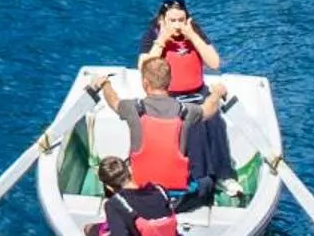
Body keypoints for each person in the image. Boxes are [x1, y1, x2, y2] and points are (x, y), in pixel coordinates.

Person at [95, 51, 232, 206]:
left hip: (142, 194)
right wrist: (217, 93)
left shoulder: (132, 108)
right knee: (207, 180)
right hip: (178, 200)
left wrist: (105, 84)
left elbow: (113, 100)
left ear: (145, 83)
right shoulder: (187, 111)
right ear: (170, 81)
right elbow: (209, 108)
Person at [84, 154, 187, 236]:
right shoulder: (160, 190)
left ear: (108, 187)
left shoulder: (113, 204)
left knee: (89, 228)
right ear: (129, 171)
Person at [137, 0, 221, 109]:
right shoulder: (153, 34)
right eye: (172, 21)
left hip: (198, 94)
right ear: (162, 20)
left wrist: (192, 36)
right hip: (167, 97)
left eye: (181, 20)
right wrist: (161, 41)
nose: (177, 26)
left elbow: (214, 63)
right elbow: (143, 68)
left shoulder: (193, 31)